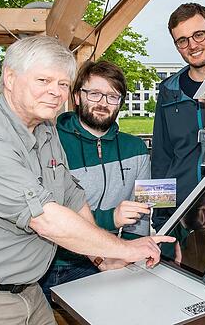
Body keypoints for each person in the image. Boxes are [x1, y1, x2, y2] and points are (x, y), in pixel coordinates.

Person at [0, 36, 173, 325]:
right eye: (43, 80)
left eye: (62, 84)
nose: (55, 92)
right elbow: (44, 218)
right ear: (11, 78)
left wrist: (103, 259)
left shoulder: (45, 129)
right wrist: (125, 249)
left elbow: (72, 197)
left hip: (28, 291)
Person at [38, 60, 152, 301]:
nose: (103, 103)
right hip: (47, 262)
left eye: (112, 96)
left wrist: (128, 254)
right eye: (95, 93)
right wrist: (110, 217)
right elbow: (49, 213)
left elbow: (140, 214)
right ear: (77, 97)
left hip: (106, 258)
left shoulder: (136, 148)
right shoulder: (50, 143)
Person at [151, 3, 205, 230]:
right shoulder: (168, 91)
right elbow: (161, 157)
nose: (192, 45)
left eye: (198, 35)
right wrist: (161, 219)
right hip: (181, 213)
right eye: (182, 40)